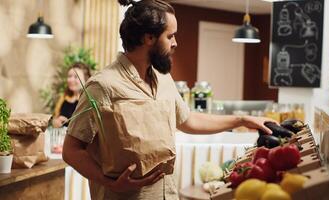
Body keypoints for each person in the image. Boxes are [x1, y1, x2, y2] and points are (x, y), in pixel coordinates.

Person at [62, 0, 276, 199]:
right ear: (149, 38)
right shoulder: (103, 85)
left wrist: (241, 120)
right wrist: (108, 182)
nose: (175, 43)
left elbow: (188, 121)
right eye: (170, 36)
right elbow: (71, 150)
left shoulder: (163, 78)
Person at [52, 63, 91, 128]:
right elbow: (55, 118)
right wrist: (56, 122)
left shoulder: (88, 101)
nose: (70, 80)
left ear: (86, 79)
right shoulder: (64, 96)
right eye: (69, 76)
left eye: (76, 77)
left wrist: (69, 121)